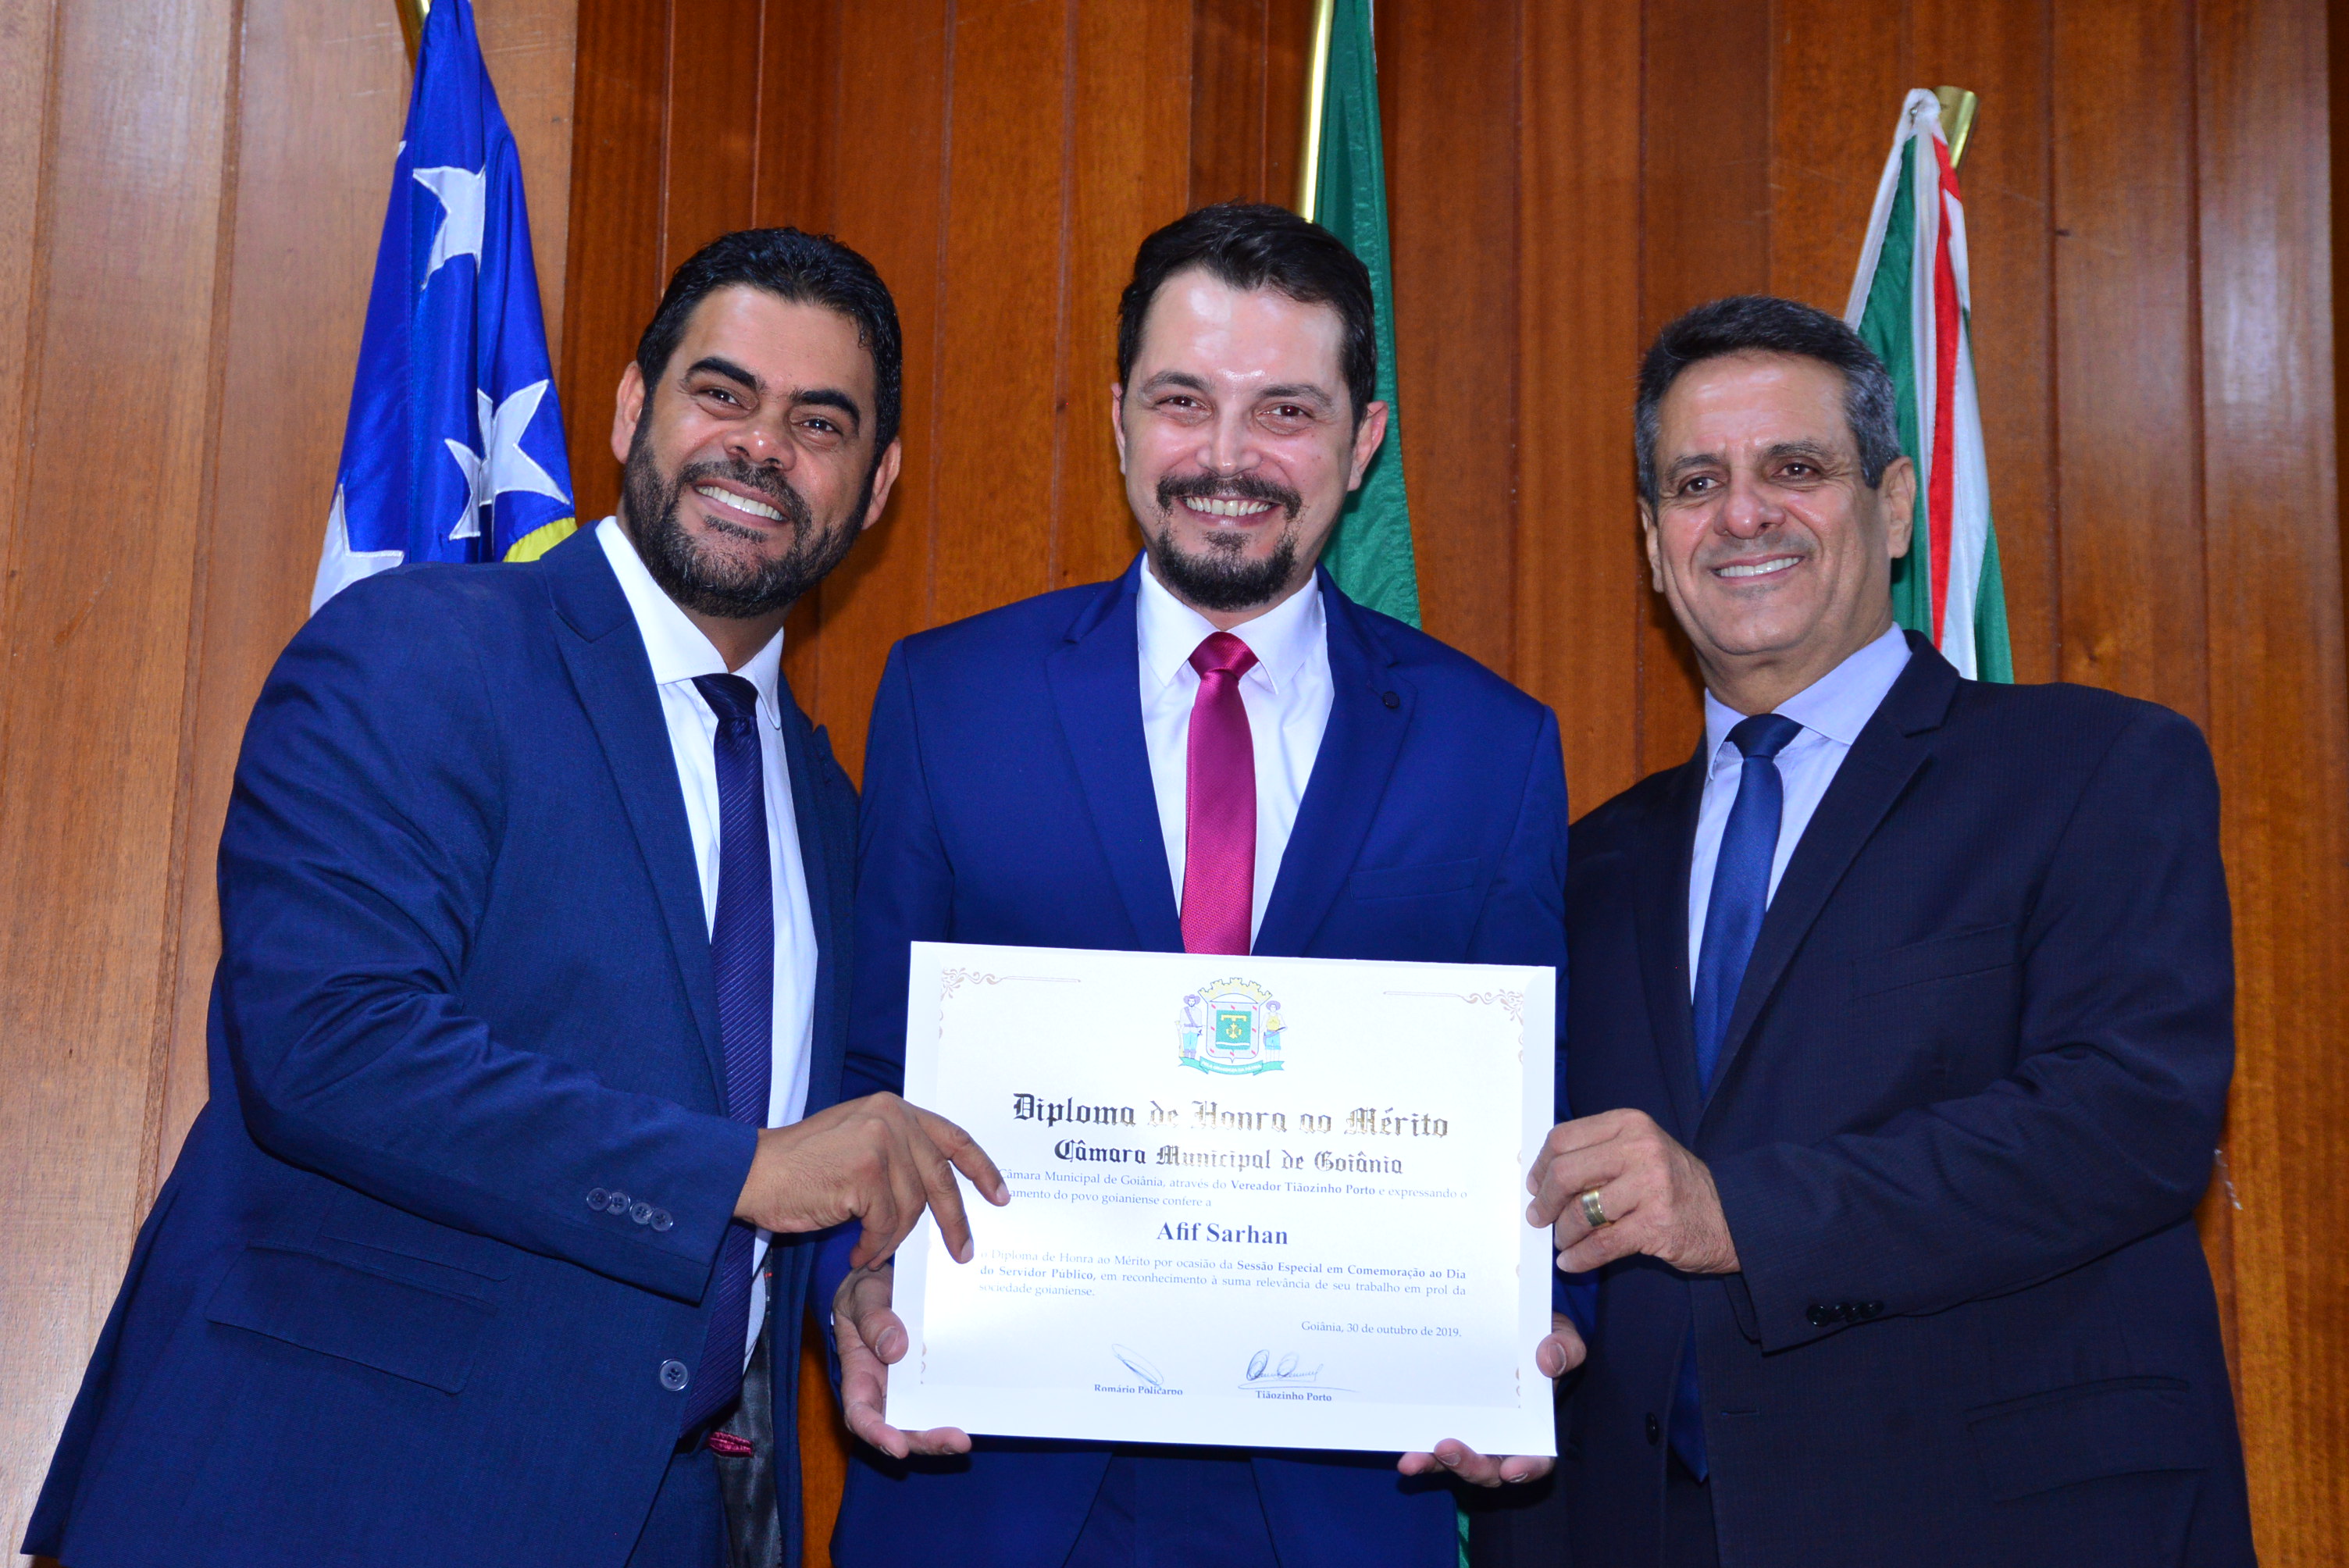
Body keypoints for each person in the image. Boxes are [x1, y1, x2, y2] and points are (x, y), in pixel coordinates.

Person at [23, 229, 1004, 1568]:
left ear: (877, 485)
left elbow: (816, 1154)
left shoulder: (830, 807)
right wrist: (745, 1174)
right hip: (324, 1503)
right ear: (630, 408)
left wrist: (854, 1292)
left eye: (819, 423)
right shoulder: (418, 651)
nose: (762, 447)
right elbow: (329, 1044)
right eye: (722, 393)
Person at [819, 201, 1581, 1568]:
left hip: (1344, 1501)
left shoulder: (1493, 747)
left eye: (1286, 411)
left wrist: (1534, 1325)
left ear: (1363, 440)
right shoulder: (950, 698)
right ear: (1121, 420)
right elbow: (872, 1068)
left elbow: (1532, 1118)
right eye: (1184, 402)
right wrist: (854, 1289)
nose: (1227, 458)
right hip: (991, 1484)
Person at [1506, 295, 2253, 1566]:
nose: (1744, 514)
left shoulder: (2092, 768)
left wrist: (1735, 1212)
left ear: (1894, 506)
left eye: (1794, 468)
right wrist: (1519, 1341)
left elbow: (2129, 1124)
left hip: (1995, 1525)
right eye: (1697, 482)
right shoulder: (1587, 862)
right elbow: (1559, 1193)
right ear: (1653, 543)